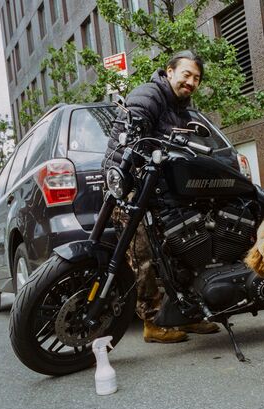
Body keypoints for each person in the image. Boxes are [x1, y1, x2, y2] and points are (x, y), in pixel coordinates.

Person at [106, 50, 220, 343]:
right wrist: (128, 182)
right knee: (142, 255)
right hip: (137, 190)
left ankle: (186, 314)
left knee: (181, 249)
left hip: (163, 191)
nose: (191, 82)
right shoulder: (149, 96)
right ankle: (152, 322)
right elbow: (128, 142)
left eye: (196, 78)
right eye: (186, 74)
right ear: (169, 72)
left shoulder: (181, 108)